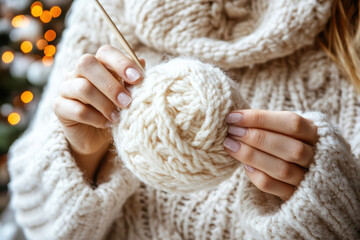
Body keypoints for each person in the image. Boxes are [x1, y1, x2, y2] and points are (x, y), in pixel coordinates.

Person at [7, 0, 360, 239]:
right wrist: (83, 156)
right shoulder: (105, 9)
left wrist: (327, 207)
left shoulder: (349, 27)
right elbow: (42, 228)